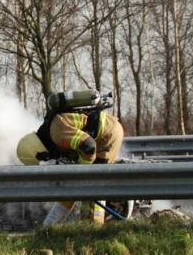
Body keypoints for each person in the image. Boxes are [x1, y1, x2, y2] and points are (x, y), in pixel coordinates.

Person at [16, 90, 123, 226]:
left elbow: (89, 147)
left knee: (95, 184)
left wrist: (81, 171)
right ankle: (49, 227)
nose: (46, 160)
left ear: (38, 152)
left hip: (108, 137)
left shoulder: (57, 134)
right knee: (72, 185)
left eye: (42, 159)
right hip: (102, 136)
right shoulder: (51, 132)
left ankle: (95, 227)